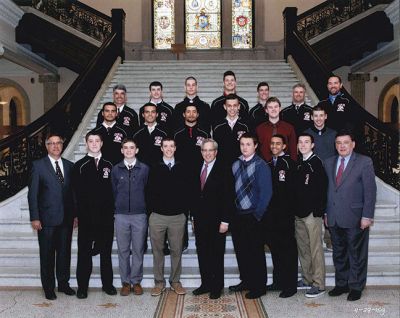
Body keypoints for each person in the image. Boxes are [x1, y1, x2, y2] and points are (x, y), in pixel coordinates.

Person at [324, 130, 376, 301]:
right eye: (338, 143)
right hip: (333, 217)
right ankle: (342, 284)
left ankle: (356, 286)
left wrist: (367, 216)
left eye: (345, 142)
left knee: (356, 253)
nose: (342, 146)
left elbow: (370, 191)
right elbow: (326, 191)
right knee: (339, 253)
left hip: (355, 216)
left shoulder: (364, 162)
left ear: (353, 144)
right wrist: (325, 212)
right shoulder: (329, 162)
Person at [28, 133, 76, 300]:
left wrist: (75, 215)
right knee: (47, 254)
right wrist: (35, 217)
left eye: (58, 143)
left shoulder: (70, 166)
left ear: (62, 145)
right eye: (51, 143)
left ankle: (63, 284)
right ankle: (48, 287)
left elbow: (73, 194)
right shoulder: (38, 166)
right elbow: (32, 194)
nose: (55, 146)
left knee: (64, 253)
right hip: (46, 219)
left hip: (66, 219)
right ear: (46, 146)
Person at [72, 132, 116, 299]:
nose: (94, 143)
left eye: (97, 141)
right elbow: (74, 193)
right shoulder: (79, 166)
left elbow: (113, 191)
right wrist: (76, 215)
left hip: (105, 218)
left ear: (102, 143)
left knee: (106, 252)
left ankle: (108, 284)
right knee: (84, 253)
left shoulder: (109, 164)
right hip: (86, 218)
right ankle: (82, 287)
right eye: (91, 141)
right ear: (86, 143)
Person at [229, 133, 272, 299]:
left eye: (248, 144)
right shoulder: (235, 164)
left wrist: (257, 215)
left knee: (255, 253)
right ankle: (246, 280)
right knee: (241, 251)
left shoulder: (261, 165)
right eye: (242, 144)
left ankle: (259, 286)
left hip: (253, 216)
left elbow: (266, 193)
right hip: (238, 215)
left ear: (255, 146)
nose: (244, 147)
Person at [191, 139, 234, 299]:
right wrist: (194, 218)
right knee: (202, 253)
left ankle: (217, 286)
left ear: (216, 152)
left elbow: (228, 196)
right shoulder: (197, 167)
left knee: (216, 254)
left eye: (210, 150)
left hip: (218, 221)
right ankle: (206, 283)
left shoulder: (224, 169)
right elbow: (195, 195)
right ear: (201, 152)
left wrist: (225, 220)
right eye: (204, 150)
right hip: (200, 219)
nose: (207, 153)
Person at [147, 138, 189, 296]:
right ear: (161, 148)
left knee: (176, 250)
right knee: (157, 250)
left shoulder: (182, 167)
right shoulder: (154, 167)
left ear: (175, 148)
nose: (169, 149)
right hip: (157, 216)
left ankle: (175, 281)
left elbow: (188, 190)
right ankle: (159, 282)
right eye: (165, 146)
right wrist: (151, 212)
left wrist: (185, 212)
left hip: (177, 217)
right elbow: (148, 191)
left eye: (171, 146)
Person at [111, 138, 149, 296]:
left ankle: (136, 281)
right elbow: (113, 191)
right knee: (123, 250)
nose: (128, 150)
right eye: (125, 148)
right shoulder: (115, 169)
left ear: (137, 150)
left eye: (131, 148)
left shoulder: (145, 169)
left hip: (139, 215)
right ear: (121, 150)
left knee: (138, 249)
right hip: (121, 216)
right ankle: (125, 282)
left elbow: (147, 190)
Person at [294, 133, 327, 298]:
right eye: (300, 142)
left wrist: (319, 211)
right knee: (303, 248)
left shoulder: (316, 163)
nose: (303, 144)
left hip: (312, 214)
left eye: (306, 142)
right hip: (299, 213)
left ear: (312, 145)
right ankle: (307, 279)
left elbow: (322, 189)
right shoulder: (299, 162)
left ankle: (319, 283)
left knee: (315, 249)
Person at [264, 134, 298, 298]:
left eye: (278, 143)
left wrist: (289, 211)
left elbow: (292, 191)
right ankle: (278, 281)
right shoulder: (269, 164)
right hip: (271, 216)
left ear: (284, 146)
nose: (275, 146)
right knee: (275, 249)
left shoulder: (289, 164)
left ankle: (290, 285)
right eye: (272, 143)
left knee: (288, 250)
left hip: (285, 215)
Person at [174, 104, 210, 251]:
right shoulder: (177, 134)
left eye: (194, 111)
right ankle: (183, 242)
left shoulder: (204, 133)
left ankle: (201, 241)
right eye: (188, 111)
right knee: (182, 213)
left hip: (199, 180)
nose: (191, 114)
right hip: (181, 180)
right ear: (184, 114)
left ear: (197, 114)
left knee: (198, 212)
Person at [304, 105, 337, 251]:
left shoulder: (333, 134)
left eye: (321, 115)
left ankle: (329, 237)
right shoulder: (306, 134)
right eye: (315, 116)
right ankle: (313, 239)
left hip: (329, 175)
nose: (318, 118)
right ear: (311, 117)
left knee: (329, 206)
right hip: (312, 177)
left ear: (326, 117)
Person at [212, 94, 250, 166]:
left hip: (241, 166)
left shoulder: (246, 126)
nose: (232, 108)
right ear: (225, 107)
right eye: (229, 106)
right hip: (223, 167)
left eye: (235, 105)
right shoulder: (218, 126)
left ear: (238, 106)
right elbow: (215, 149)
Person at [256, 97, 297, 161]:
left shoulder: (289, 128)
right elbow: (257, 150)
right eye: (270, 107)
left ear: (280, 109)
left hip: (284, 166)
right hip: (264, 164)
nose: (273, 109)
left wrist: (292, 166)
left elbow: (293, 150)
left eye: (276, 107)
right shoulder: (259, 129)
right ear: (266, 110)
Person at [133, 102, 168, 167]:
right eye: (147, 112)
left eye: (153, 112)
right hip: (141, 169)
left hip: (160, 169)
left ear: (157, 114)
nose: (150, 114)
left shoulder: (164, 132)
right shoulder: (136, 133)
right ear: (143, 114)